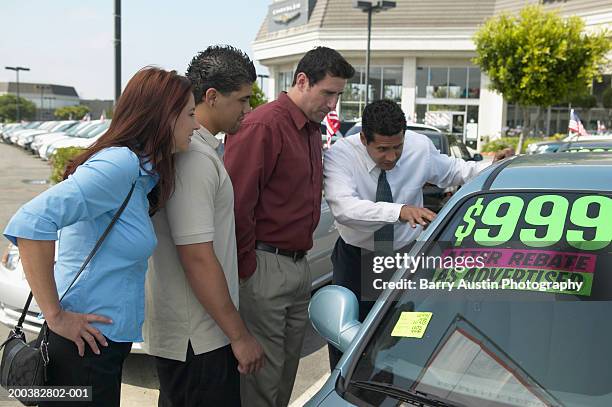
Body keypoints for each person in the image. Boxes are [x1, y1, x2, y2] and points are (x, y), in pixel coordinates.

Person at [3, 67, 198, 406]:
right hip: (83, 349)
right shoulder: (118, 165)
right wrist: (56, 316)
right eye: (191, 114)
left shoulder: (143, 173)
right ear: (165, 117)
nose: (196, 125)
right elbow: (32, 222)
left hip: (101, 347)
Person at [323, 99, 514, 368]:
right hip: (356, 258)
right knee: (347, 335)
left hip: (406, 258)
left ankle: (396, 385)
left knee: (406, 332)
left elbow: (455, 171)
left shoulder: (418, 147)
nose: (391, 156)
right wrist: (399, 211)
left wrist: (491, 166)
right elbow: (344, 208)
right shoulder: (340, 155)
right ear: (364, 139)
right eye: (382, 149)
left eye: (397, 147)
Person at [224, 46, 355, 407]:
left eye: (338, 95)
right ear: (301, 81)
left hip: (299, 266)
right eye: (328, 92)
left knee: (284, 377)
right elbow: (236, 205)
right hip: (264, 265)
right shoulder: (264, 124)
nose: (333, 104)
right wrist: (249, 270)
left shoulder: (310, 129)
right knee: (262, 380)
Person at [144, 45, 264, 407]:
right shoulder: (194, 156)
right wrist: (240, 336)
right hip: (196, 339)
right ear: (211, 96)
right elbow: (196, 256)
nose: (248, 110)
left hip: (199, 335)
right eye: (242, 100)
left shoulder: (202, 149)